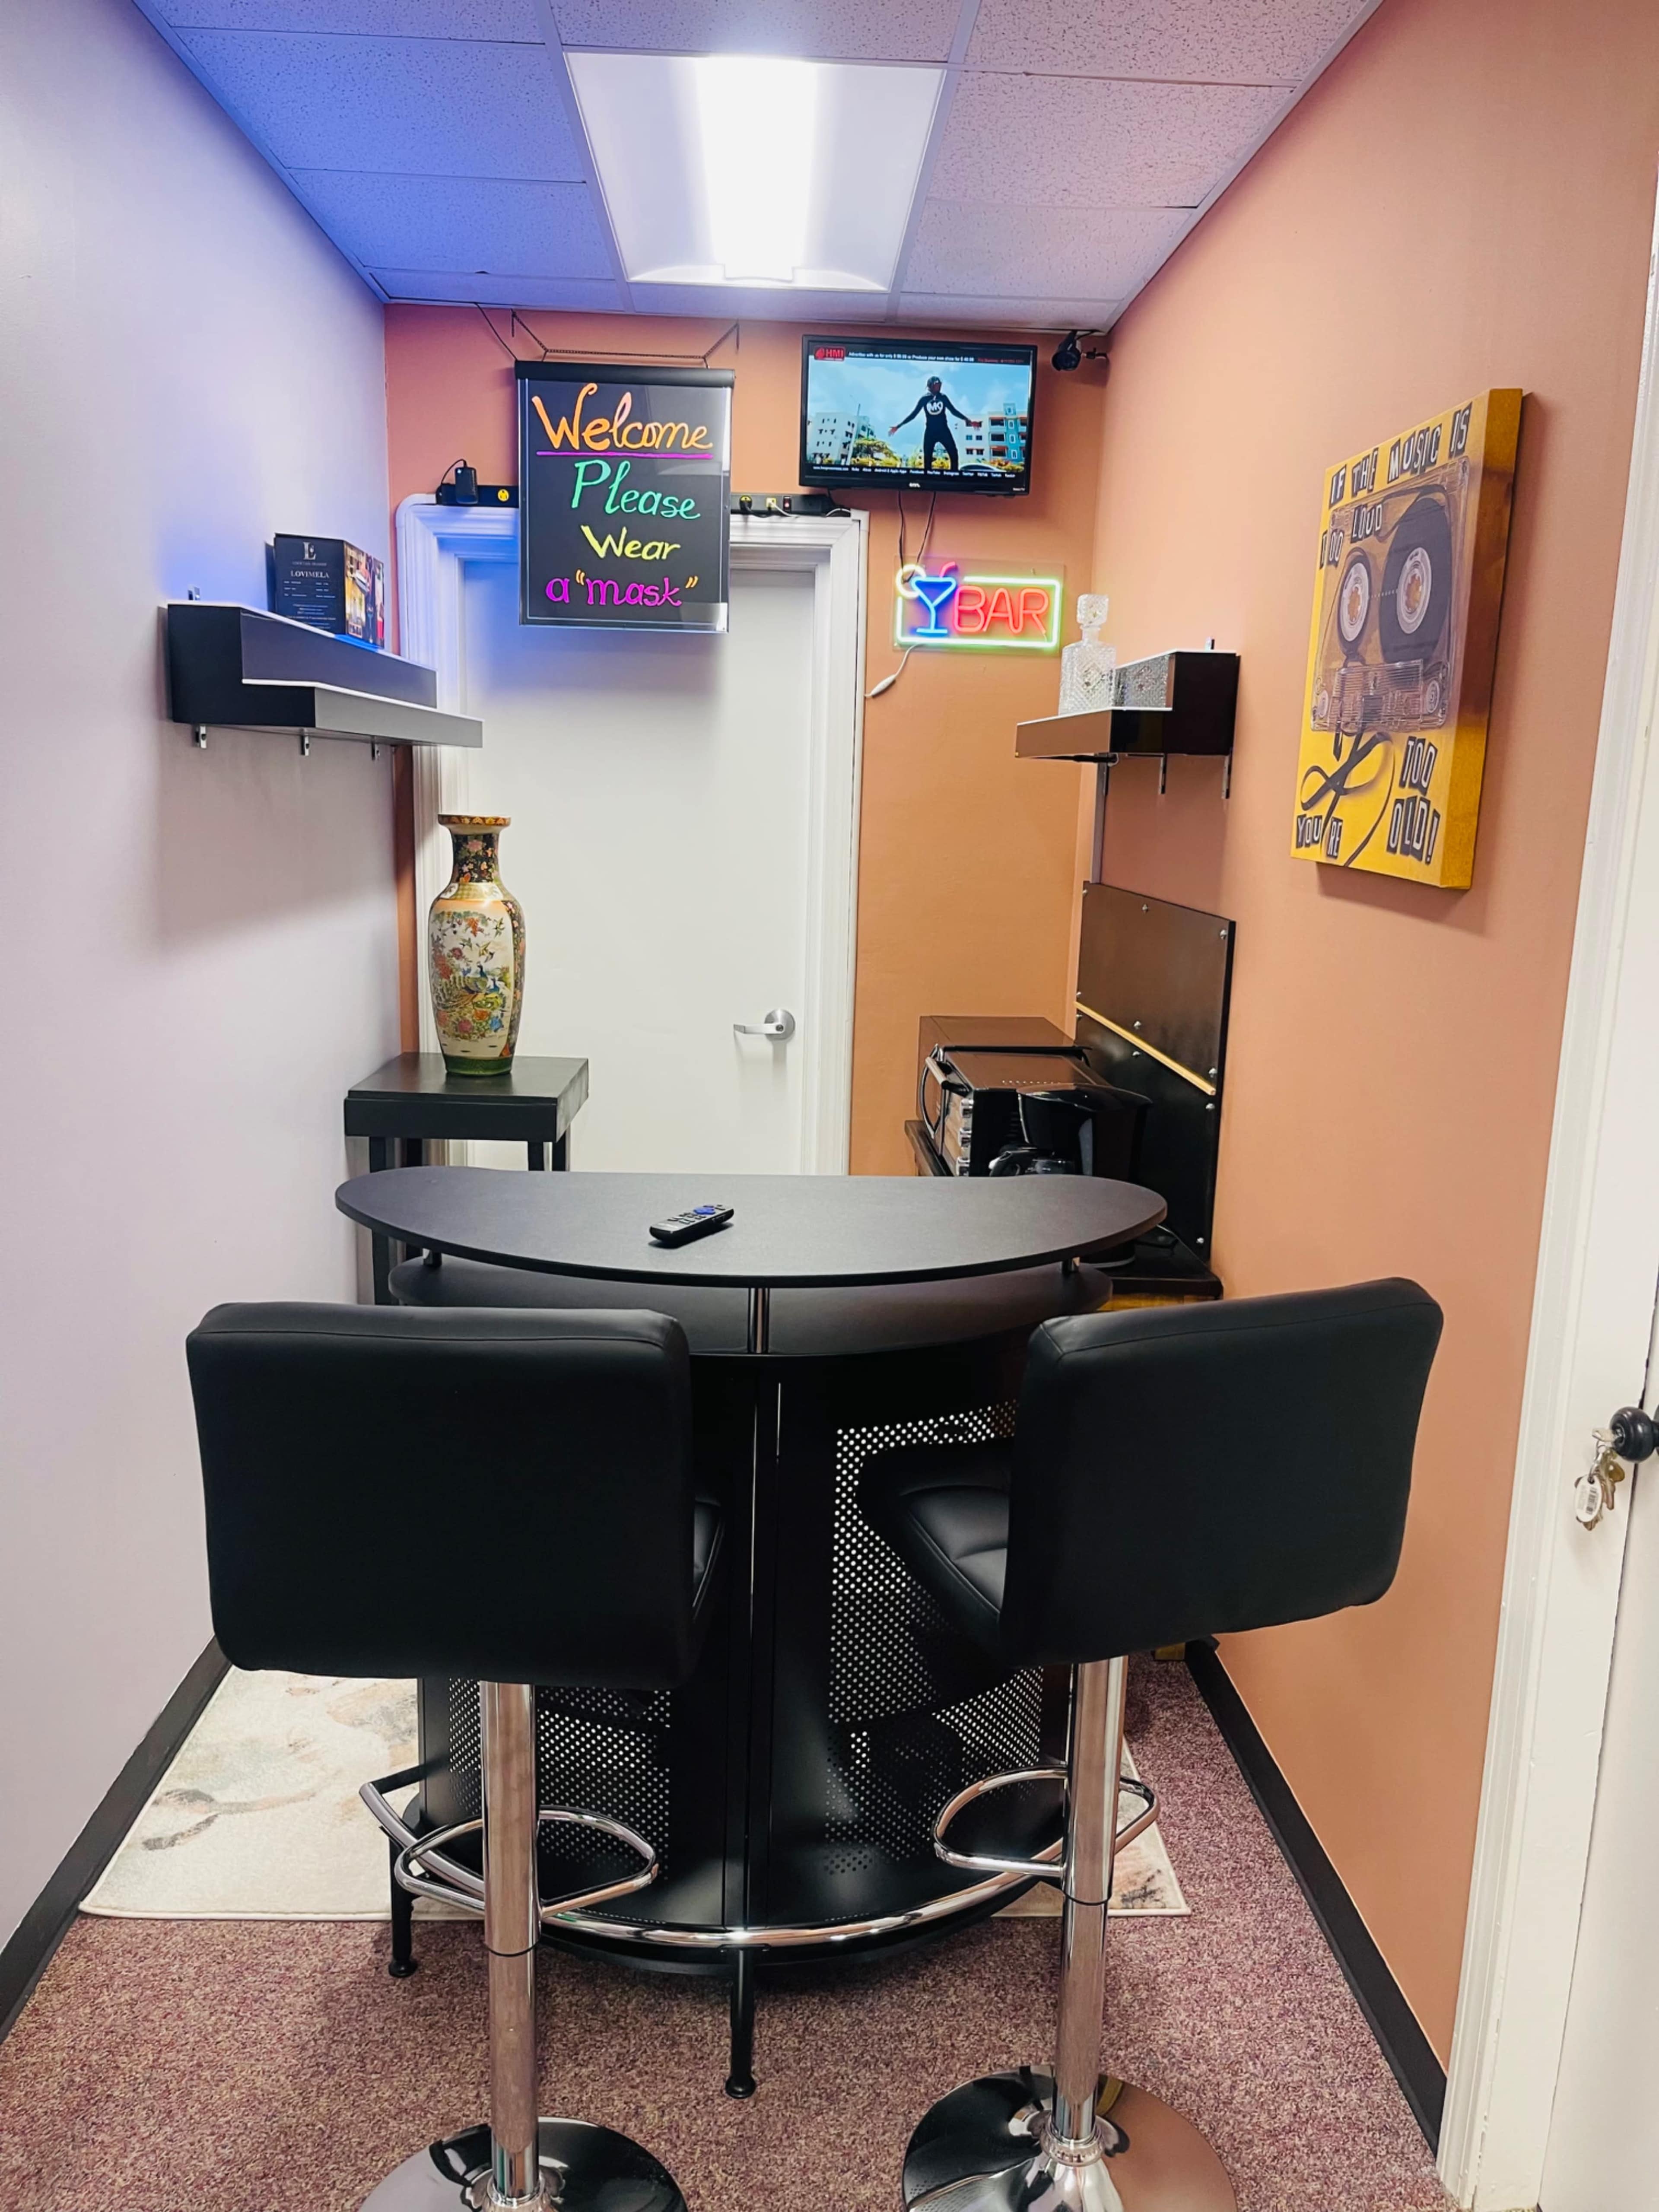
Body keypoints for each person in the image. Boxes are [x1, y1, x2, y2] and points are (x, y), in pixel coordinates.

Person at [890, 377, 976, 474]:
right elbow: (914, 415)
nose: (939, 388)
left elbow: (953, 411)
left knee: (954, 454)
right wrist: (898, 426)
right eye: (936, 385)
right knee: (927, 457)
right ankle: (928, 480)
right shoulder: (925, 399)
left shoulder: (943, 398)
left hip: (944, 430)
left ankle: (954, 477)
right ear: (930, 386)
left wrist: (968, 420)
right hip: (930, 431)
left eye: (940, 386)